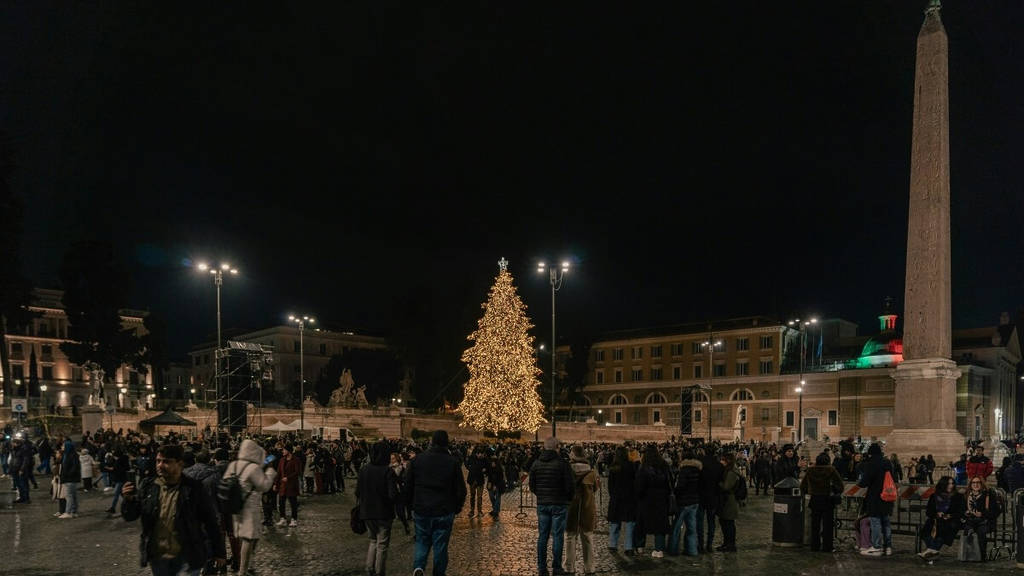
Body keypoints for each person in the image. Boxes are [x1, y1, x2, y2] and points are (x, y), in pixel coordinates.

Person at [121, 444, 226, 576]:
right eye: (158, 461)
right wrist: (128, 500)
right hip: (158, 558)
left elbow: (210, 521)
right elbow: (130, 516)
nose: (160, 465)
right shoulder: (148, 486)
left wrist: (219, 552)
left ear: (179, 464)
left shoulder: (193, 489)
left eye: (166, 462)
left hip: (187, 556)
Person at [406, 430, 466, 576]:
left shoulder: (417, 460)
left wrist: (411, 505)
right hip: (444, 510)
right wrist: (456, 508)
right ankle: (438, 573)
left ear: (432, 441)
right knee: (440, 545)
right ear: (447, 443)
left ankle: (419, 567)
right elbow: (461, 490)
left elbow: (408, 486)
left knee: (422, 541)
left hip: (421, 509)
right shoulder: (452, 462)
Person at [227, 438, 277, 576]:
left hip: (235, 505)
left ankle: (247, 564)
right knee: (248, 538)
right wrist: (270, 472)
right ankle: (243, 570)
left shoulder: (234, 465)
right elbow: (264, 486)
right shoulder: (252, 468)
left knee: (249, 537)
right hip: (249, 507)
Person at [529, 436, 575, 576]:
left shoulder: (536, 464)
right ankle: (556, 567)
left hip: (543, 504)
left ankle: (542, 567)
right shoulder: (563, 464)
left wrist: (541, 495)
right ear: (557, 448)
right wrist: (567, 498)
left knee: (543, 536)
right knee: (558, 536)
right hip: (559, 504)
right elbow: (569, 486)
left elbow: (532, 485)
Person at [357, 441, 398, 576]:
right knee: (382, 545)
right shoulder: (388, 471)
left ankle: (369, 568)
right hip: (383, 513)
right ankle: (380, 572)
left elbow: (357, 492)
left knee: (373, 541)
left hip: (367, 512)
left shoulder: (364, 469)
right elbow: (392, 495)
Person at [801, 452, 844, 552]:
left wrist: (810, 491)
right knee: (828, 525)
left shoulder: (810, 470)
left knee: (815, 524)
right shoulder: (831, 470)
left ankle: (814, 546)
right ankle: (827, 547)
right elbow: (840, 486)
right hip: (828, 500)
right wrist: (834, 490)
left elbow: (803, 486)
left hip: (815, 499)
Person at [565, 444, 598, 575]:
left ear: (573, 455)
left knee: (570, 537)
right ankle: (589, 567)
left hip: (571, 507)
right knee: (588, 537)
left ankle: (569, 567)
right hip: (587, 507)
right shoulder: (591, 472)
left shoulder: (568, 470)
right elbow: (595, 488)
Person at [857, 442, 894, 556]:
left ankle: (876, 546)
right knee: (886, 522)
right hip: (887, 495)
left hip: (875, 496)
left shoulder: (872, 463)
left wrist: (860, 483)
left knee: (876, 521)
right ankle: (888, 547)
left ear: (870, 453)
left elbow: (865, 481)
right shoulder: (887, 462)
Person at [634, 444, 671, 558]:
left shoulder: (643, 467)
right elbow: (669, 482)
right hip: (661, 499)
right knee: (659, 525)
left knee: (641, 523)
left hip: (646, 500)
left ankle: (640, 547)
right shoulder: (664, 465)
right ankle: (659, 549)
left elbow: (639, 486)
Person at [918, 476, 965, 559]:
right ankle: (933, 551)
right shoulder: (934, 496)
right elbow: (929, 511)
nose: (951, 486)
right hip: (936, 519)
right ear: (943, 485)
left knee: (944, 527)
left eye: (952, 483)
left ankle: (930, 551)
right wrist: (937, 514)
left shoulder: (958, 496)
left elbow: (960, 511)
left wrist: (950, 515)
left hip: (952, 520)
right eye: (948, 484)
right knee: (927, 528)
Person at [669, 449, 702, 556]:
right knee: (692, 528)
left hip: (683, 502)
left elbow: (680, 487)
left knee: (676, 528)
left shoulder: (684, 470)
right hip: (695, 501)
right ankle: (692, 550)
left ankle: (673, 550)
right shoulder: (698, 470)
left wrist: (675, 493)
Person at [606, 446, 638, 554]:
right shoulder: (631, 466)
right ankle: (629, 547)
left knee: (615, 521)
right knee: (629, 523)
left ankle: (612, 544)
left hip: (616, 498)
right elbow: (635, 482)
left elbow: (610, 485)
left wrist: (613, 495)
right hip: (629, 498)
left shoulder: (614, 467)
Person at [961, 474, 1001, 560]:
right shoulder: (967, 495)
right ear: (970, 484)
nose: (976, 484)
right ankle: (968, 555)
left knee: (981, 531)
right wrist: (966, 512)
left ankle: (981, 556)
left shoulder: (989, 494)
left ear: (982, 484)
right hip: (971, 521)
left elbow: (996, 511)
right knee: (967, 530)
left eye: (978, 482)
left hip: (986, 521)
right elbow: (961, 509)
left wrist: (983, 514)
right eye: (973, 483)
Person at [698, 446, 724, 553]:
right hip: (713, 496)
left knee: (699, 522)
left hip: (701, 496)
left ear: (704, 451)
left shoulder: (700, 464)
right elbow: (721, 482)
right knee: (711, 522)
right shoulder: (719, 465)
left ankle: (700, 545)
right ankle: (709, 544)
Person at [716, 452, 740, 552]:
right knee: (725, 523)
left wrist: (718, 483)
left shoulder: (731, 472)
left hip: (730, 501)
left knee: (728, 524)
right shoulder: (730, 471)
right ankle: (726, 544)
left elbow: (726, 487)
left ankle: (730, 545)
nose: (721, 462)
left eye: (723, 460)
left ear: (728, 461)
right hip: (728, 501)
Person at [274, 444, 301, 527]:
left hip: (292, 485)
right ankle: (283, 519)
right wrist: (275, 483)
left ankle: (294, 519)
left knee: (293, 503)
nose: (283, 451)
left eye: (284, 450)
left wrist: (288, 478)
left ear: (288, 451)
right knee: (281, 502)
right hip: (283, 486)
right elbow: (278, 473)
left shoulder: (296, 460)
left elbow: (297, 472)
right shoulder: (282, 460)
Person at [465, 446, 488, 518]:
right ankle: (472, 510)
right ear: (477, 454)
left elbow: (487, 467)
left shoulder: (484, 459)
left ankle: (479, 511)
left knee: (479, 496)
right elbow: (466, 463)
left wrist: (485, 470)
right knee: (472, 496)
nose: (480, 455)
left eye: (481, 454)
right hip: (472, 479)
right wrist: (470, 469)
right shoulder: (472, 458)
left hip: (480, 480)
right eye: (479, 454)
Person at [485, 452, 506, 519]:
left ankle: (496, 512)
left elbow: (501, 478)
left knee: (497, 498)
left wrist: (496, 486)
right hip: (491, 484)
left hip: (498, 485)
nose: (492, 464)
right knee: (491, 497)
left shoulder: (499, 469)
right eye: (492, 462)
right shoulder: (490, 468)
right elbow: (489, 476)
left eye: (494, 463)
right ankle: (495, 509)